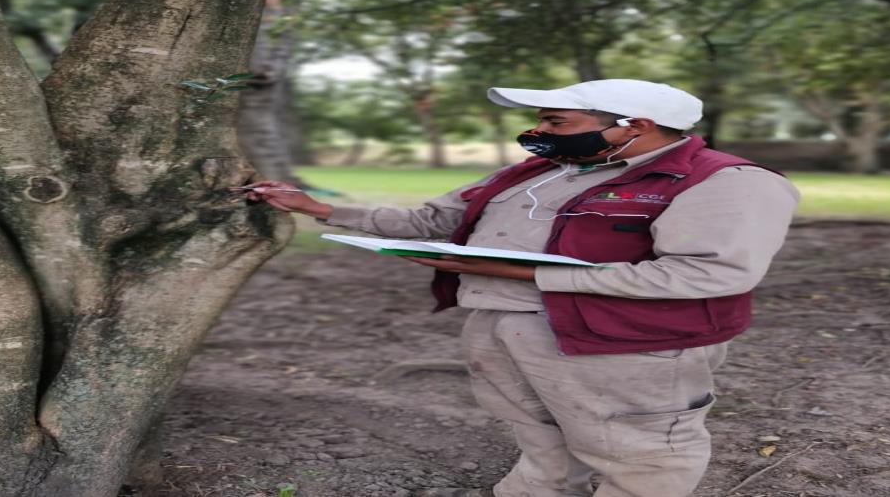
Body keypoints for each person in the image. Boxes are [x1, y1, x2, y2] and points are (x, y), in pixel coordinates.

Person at [248, 79, 800, 497]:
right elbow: (434, 219)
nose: (540, 132)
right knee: (539, 431)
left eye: (556, 121)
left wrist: (529, 274)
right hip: (504, 323)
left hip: (623, 344)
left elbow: (710, 274)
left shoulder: (726, 181)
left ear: (635, 125)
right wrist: (318, 208)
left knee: (641, 451)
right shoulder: (545, 169)